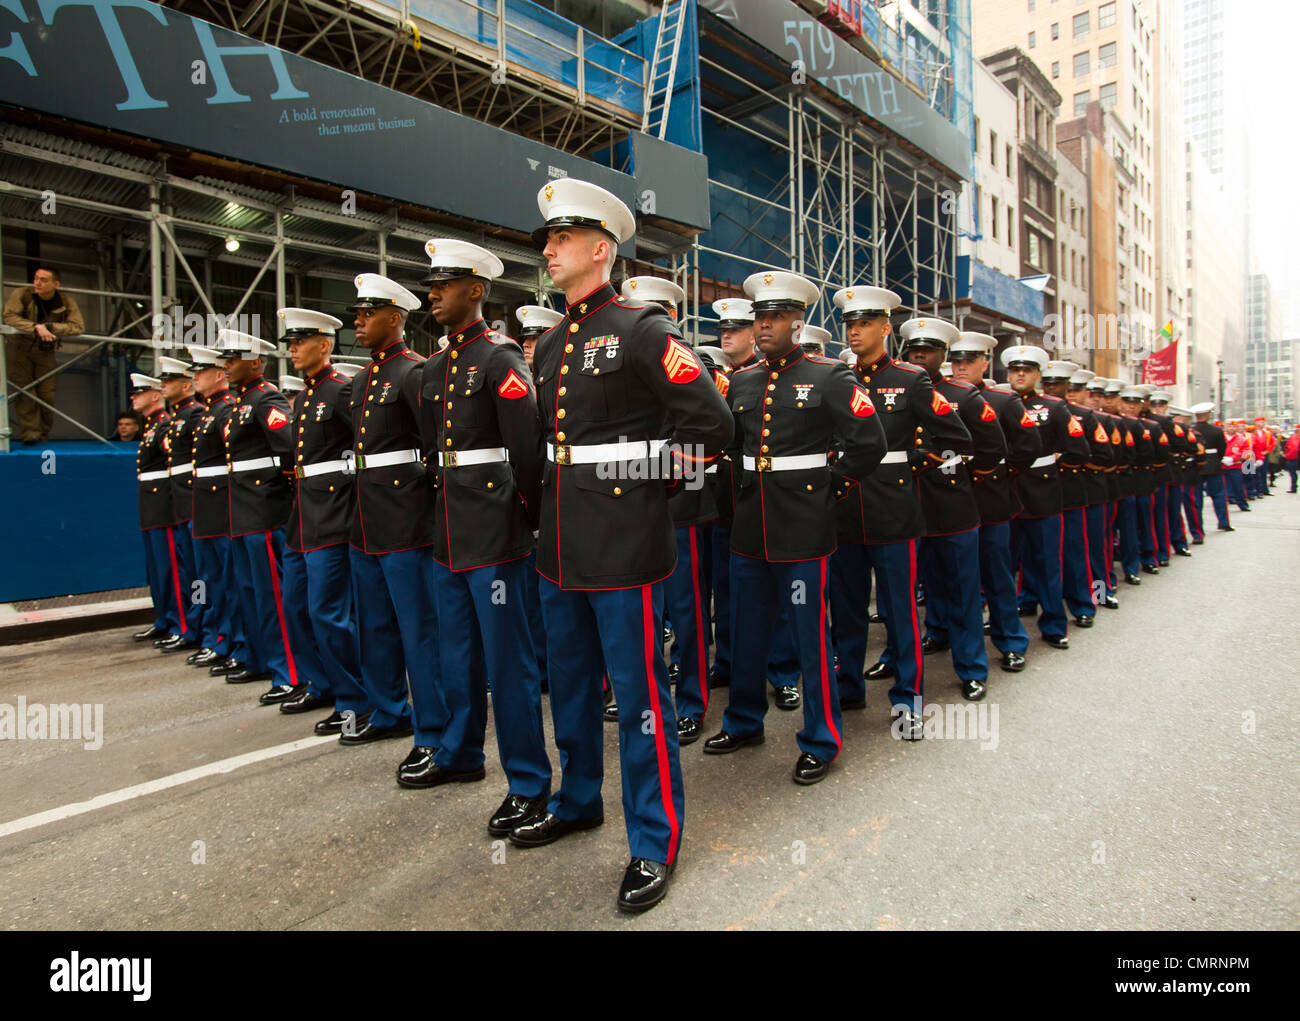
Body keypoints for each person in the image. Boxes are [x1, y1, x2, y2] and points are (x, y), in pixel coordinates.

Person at [509, 177, 731, 914]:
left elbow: (711, 425)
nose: (548, 249)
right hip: (561, 550)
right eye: (549, 239)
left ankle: (654, 839)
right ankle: (578, 800)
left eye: (560, 239)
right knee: (569, 689)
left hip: (627, 549)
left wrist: (648, 487)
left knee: (639, 701)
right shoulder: (547, 345)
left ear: (599, 249)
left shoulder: (643, 331)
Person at [705, 269, 885, 776]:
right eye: (760, 317)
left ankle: (821, 738)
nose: (764, 326)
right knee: (744, 630)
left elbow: (870, 443)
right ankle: (743, 721)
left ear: (798, 323)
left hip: (804, 528)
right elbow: (733, 449)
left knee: (810, 634)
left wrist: (833, 487)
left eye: (776, 317)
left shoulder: (829, 376)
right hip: (750, 528)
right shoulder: (742, 380)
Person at [411, 238, 552, 841]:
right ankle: (461, 753)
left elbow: (527, 450)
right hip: (447, 531)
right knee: (456, 654)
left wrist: (522, 512)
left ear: (477, 290)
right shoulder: (435, 367)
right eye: (431, 283)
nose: (433, 292)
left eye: (446, 283)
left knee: (508, 663)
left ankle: (526, 783)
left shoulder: (500, 359)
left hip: (495, 531)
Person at [829, 286, 969, 738]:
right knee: (846, 609)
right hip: (846, 508)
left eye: (865, 323)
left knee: (900, 610)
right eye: (850, 324)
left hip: (894, 509)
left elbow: (956, 438)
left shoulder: (910, 380)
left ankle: (908, 700)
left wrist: (914, 462)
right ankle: (848, 686)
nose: (855, 331)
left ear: (886, 328)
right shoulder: (836, 377)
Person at [340, 273, 447, 770]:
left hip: (406, 520)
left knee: (417, 630)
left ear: (396, 317)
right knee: (375, 625)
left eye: (368, 312)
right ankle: (387, 710)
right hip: (366, 519)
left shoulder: (415, 373)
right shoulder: (361, 380)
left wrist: (424, 510)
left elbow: (434, 448)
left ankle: (433, 729)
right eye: (357, 313)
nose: (357, 321)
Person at [273, 308, 371, 732]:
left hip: (332, 513)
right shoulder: (307, 395)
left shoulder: (340, 391)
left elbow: (364, 451)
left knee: (329, 611)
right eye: (290, 342)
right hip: (304, 515)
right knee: (299, 606)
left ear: (325, 345)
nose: (291, 348)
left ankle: (355, 699)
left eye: (299, 341)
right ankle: (322, 681)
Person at [899, 316, 997, 701]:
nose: (919, 354)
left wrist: (948, 465)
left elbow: (988, 449)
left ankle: (972, 667)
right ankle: (933, 635)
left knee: (963, 591)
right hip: (907, 506)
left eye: (928, 350)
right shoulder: (898, 388)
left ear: (943, 355)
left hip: (953, 507)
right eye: (914, 349)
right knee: (919, 588)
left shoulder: (963, 395)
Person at [947, 333, 1042, 669]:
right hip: (949, 504)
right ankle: (940, 631)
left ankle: (1010, 640)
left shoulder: (1003, 401)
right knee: (949, 579)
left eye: (969, 360)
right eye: (956, 360)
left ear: (984, 363)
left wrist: (997, 474)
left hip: (990, 502)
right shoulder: (940, 395)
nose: (960, 366)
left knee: (998, 576)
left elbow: (1028, 445)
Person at [216, 328, 296, 696]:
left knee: (273, 598)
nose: (226, 366)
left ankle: (289, 672)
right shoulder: (240, 403)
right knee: (249, 591)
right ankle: (262, 659)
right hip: (243, 513)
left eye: (233, 359)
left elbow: (289, 451)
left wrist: (278, 493)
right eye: (225, 360)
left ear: (256, 361)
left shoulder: (267, 399)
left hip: (265, 512)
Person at [1002, 345, 1090, 649]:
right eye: (1015, 370)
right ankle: (1008, 618)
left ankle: (1054, 623)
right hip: (1006, 495)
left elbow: (1079, 450)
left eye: (1026, 370)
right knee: (1004, 566)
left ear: (1038, 375)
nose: (1020, 375)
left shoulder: (1054, 407)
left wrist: (1051, 469)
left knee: (1047, 563)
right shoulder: (997, 403)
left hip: (1043, 495)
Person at [183, 346, 246, 673]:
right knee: (207, 580)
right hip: (207, 505)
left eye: (201, 372)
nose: (194, 378)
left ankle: (231, 640)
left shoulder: (225, 411)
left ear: (219, 375)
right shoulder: (209, 412)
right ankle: (214, 637)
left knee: (227, 581)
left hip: (222, 505)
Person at [514, 303, 564, 687]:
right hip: (528, 501)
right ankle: (543, 665)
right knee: (536, 597)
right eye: (526, 339)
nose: (529, 346)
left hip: (559, 500)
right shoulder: (523, 384)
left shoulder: (554, 384)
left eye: (537, 339)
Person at [156, 355, 206, 654]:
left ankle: (195, 625)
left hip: (195, 502)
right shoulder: (177, 418)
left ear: (185, 385)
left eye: (169, 380)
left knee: (200, 574)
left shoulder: (195, 414)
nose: (163, 385)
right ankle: (187, 623)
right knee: (188, 571)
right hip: (181, 502)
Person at [3, 266, 84, 444]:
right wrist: (35, 327)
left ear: (56, 284)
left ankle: (43, 433)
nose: (37, 283)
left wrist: (50, 328)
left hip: (44, 349)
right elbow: (9, 316)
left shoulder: (65, 301)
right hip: (18, 349)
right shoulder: (22, 294)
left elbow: (78, 326)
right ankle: (31, 434)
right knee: (25, 392)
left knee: (47, 393)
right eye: (36, 278)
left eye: (43, 280)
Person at [127, 373, 177, 644]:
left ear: (155, 395)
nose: (133, 397)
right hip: (151, 503)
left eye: (140, 393)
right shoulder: (151, 426)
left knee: (169, 568)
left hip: (162, 503)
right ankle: (164, 617)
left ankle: (178, 621)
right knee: (156, 568)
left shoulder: (164, 426)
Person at [1284, 426, 1299, 493]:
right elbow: (1287, 447)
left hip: (1296, 458)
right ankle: (1293, 487)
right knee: (1292, 474)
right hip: (1292, 458)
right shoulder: (1292, 438)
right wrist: (1287, 455)